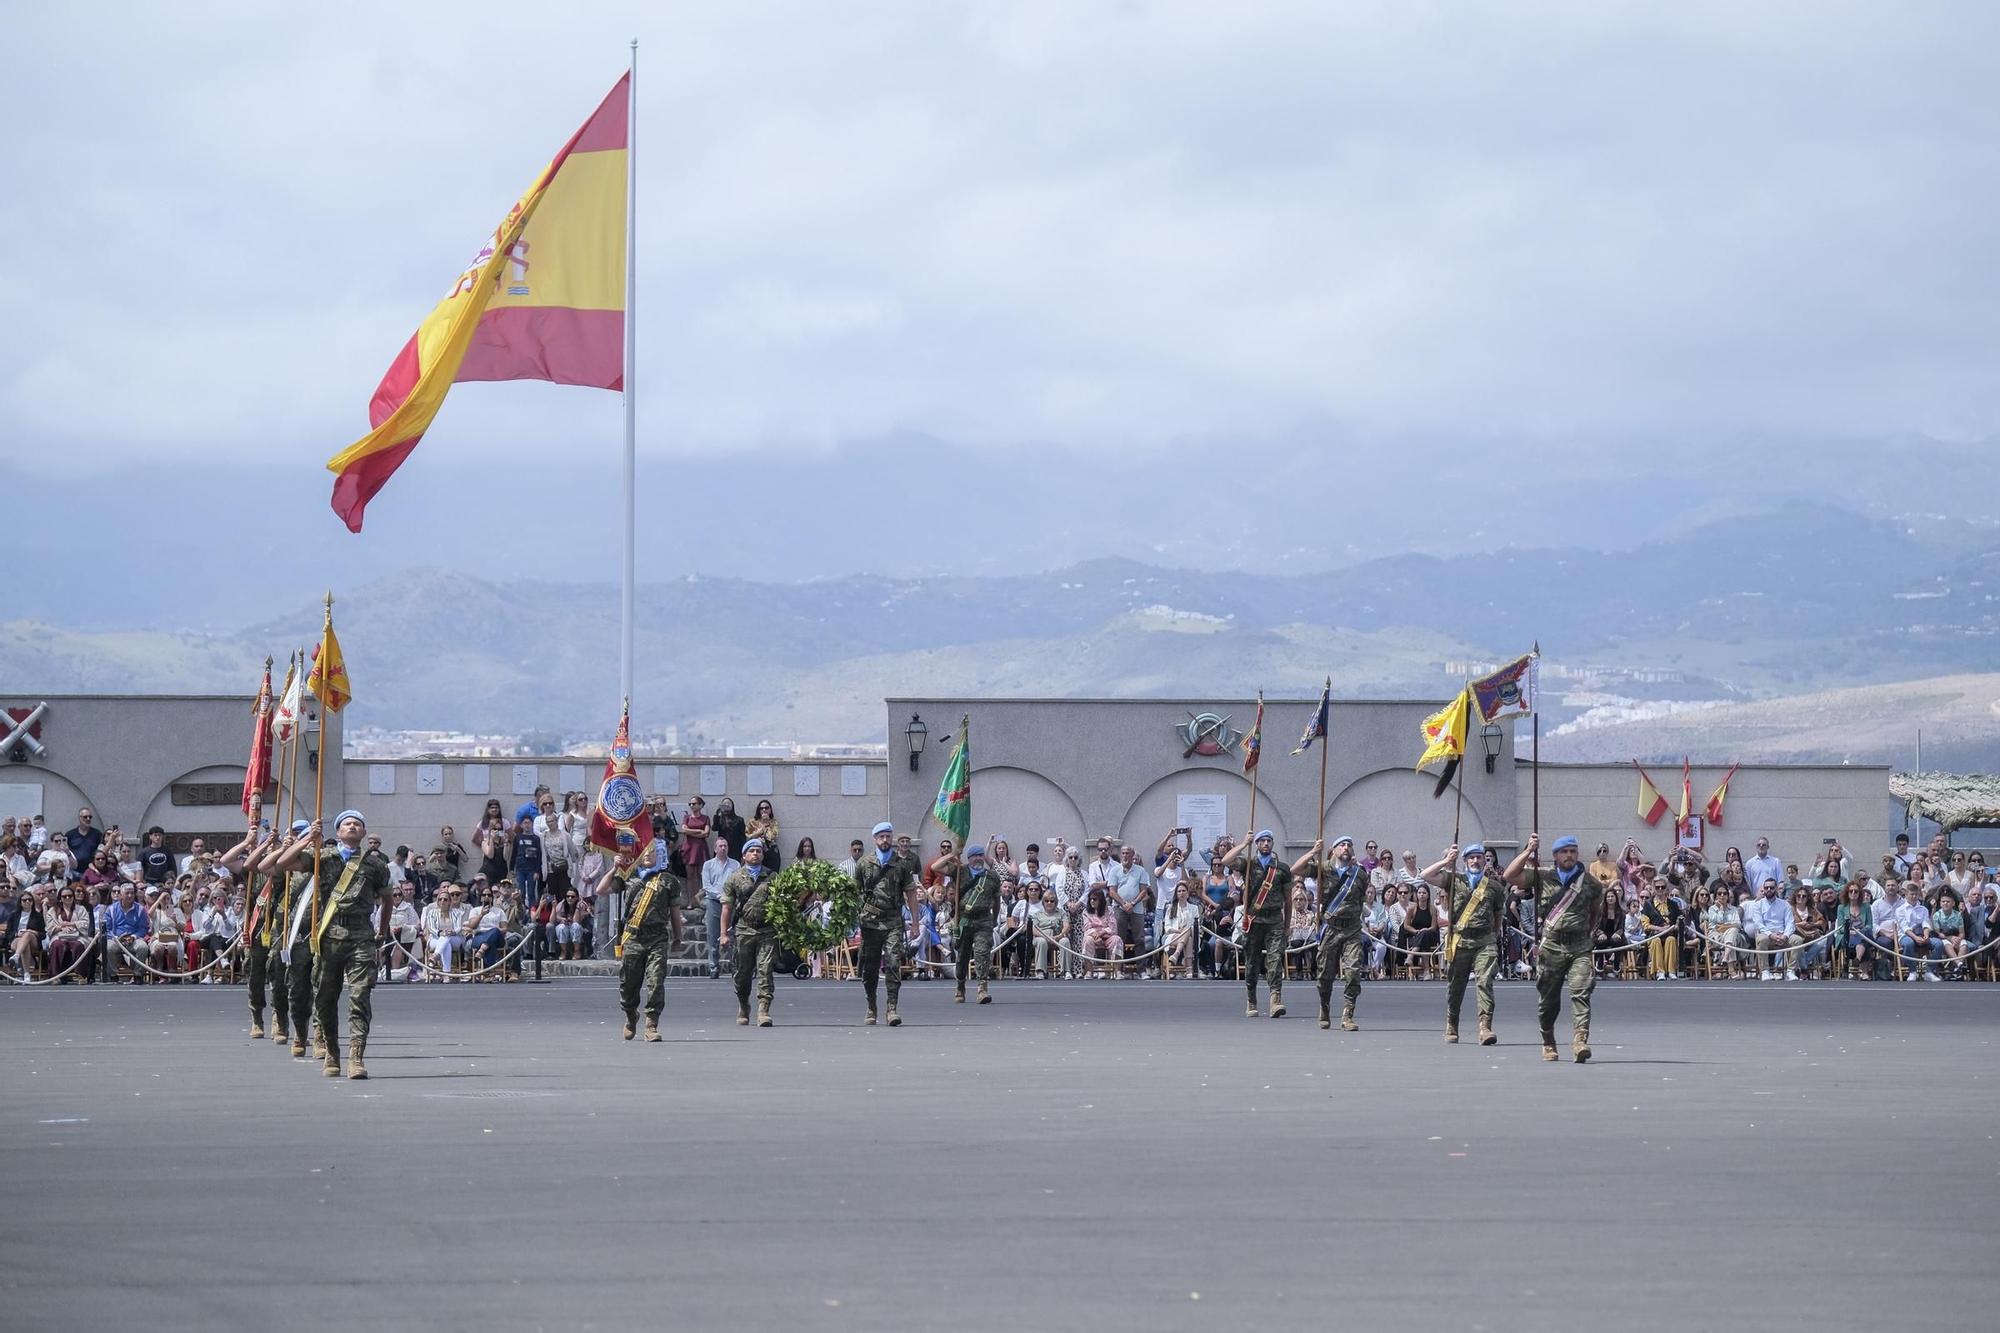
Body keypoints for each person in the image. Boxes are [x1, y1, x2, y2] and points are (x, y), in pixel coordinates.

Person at [273, 811, 390, 1079]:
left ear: (363, 833)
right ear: (337, 832)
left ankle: (356, 1057)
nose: (352, 826)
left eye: (357, 824)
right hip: (329, 934)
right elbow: (282, 862)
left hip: (361, 935)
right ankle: (333, 1054)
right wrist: (308, 840)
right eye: (347, 823)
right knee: (325, 998)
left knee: (360, 995)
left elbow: (387, 900)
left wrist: (381, 933)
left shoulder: (375, 865)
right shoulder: (322, 858)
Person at [1504, 834, 1608, 1064]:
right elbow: (1509, 875)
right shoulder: (1543, 876)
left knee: (1581, 991)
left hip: (1579, 945)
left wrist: (1584, 935)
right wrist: (1528, 851)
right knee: (1548, 1000)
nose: (1569, 855)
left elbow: (1594, 914)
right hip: (1551, 946)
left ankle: (1580, 1040)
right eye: (1564, 852)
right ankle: (1548, 1041)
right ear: (1555, 856)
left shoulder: (1590, 883)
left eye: (1573, 851)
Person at [1425, 843, 1502, 1046]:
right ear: (1465, 861)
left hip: (1484, 941)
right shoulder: (1453, 880)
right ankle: (1452, 1022)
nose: (1475, 861)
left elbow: (1498, 915)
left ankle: (1485, 1027)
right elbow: (1426, 875)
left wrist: (1493, 936)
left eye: (1479, 857)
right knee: (1456, 985)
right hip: (1460, 940)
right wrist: (1446, 861)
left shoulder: (1494, 886)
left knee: (1485, 982)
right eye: (1471, 858)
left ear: (1484, 860)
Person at [603, 850, 682, 1042]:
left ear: (660, 855)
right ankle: (631, 1015)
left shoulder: (668, 880)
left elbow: (675, 911)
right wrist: (615, 867)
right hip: (633, 938)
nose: (647, 855)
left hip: (657, 938)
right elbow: (601, 889)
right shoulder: (629, 875)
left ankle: (651, 1024)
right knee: (628, 984)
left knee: (656, 981)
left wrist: (678, 937)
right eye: (644, 852)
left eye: (653, 852)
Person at [1224, 830, 1304, 1020]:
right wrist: (1244, 844)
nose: (1266, 844)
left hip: (1274, 919)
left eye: (1269, 840)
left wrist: (1286, 925)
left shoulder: (1282, 868)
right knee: (1252, 962)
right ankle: (1251, 999)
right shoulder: (1248, 864)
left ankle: (1275, 999)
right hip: (1254, 919)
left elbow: (1288, 899)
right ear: (1257, 843)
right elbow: (1227, 860)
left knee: (1275, 960)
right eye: (1262, 841)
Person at [853, 821, 921, 1026]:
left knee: (893, 963)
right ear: (875, 839)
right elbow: (854, 891)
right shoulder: (864, 863)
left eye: (888, 837)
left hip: (893, 921)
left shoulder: (901, 865)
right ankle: (871, 1006)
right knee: (870, 968)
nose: (885, 840)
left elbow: (911, 894)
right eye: (881, 837)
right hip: (870, 923)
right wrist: (855, 916)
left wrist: (915, 923)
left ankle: (892, 1008)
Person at [1308, 835, 1367, 1030]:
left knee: (1353, 971)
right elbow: (1295, 870)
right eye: (1342, 845)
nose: (1347, 848)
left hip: (1351, 929)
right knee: (1325, 973)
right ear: (1333, 850)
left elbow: (1360, 900)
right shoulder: (1324, 869)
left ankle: (1348, 1015)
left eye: (1350, 845)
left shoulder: (1360, 874)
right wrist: (1313, 852)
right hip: (1331, 927)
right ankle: (1324, 1006)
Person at [933, 843, 1002, 1004]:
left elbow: (996, 899)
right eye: (974, 856)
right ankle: (960, 985)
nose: (978, 858)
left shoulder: (992, 876)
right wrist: (953, 854)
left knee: (982, 952)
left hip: (984, 919)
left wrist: (994, 918)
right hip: (964, 919)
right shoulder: (960, 871)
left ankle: (982, 988)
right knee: (962, 955)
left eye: (980, 855)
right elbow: (936, 866)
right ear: (969, 858)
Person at [720, 837, 779, 1026]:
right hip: (744, 930)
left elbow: (782, 903)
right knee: (742, 973)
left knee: (765, 969)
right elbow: (727, 908)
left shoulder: (772, 877)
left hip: (766, 930)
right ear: (744, 855)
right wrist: (723, 934)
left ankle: (763, 1009)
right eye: (752, 851)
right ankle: (743, 1004)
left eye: (759, 851)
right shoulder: (735, 878)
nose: (756, 854)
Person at [1744, 876, 1800, 981]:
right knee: (1761, 939)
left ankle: (1791, 971)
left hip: (1783, 935)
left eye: (1771, 887)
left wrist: (1785, 935)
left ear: (1776, 888)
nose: (1769, 890)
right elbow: (1758, 924)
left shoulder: (1785, 904)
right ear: (1763, 889)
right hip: (1767, 935)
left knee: (1797, 940)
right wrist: (1771, 935)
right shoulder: (1757, 905)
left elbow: (1790, 923)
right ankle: (1765, 971)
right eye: (1766, 888)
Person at [700, 839, 739, 980]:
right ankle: (713, 967)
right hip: (713, 902)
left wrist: (728, 897)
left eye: (725, 846)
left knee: (732, 934)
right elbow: (706, 886)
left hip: (730, 903)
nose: (723, 848)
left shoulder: (735, 864)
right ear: (715, 849)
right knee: (712, 935)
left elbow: (737, 883)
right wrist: (720, 895)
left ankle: (733, 965)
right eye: (720, 846)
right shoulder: (708, 865)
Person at [104, 882, 151, 981]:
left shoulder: (140, 909)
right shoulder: (111, 909)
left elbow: (143, 928)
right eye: (127, 893)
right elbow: (106, 929)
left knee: (142, 947)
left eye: (132, 893)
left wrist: (134, 937)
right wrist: (116, 938)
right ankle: (113, 975)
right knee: (109, 947)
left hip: (133, 939)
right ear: (121, 895)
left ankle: (138, 975)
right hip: (116, 938)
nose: (130, 895)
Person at [1080, 886, 1120, 974]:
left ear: (1100, 900)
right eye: (1090, 899)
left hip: (1107, 936)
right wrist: (1096, 936)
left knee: (1117, 940)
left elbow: (1113, 927)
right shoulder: (1086, 912)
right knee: (1087, 940)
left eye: (1095, 899)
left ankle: (1117, 972)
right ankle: (1089, 971)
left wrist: (1101, 933)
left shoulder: (1109, 910)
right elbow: (1087, 927)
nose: (1092, 901)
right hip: (1093, 936)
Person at [746, 800, 780, 871]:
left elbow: (771, 837)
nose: (764, 810)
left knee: (772, 876)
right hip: (756, 852)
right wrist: (757, 833)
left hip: (770, 852)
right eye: (761, 808)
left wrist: (766, 823)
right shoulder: (752, 822)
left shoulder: (774, 822)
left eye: (766, 808)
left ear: (770, 810)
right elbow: (747, 838)